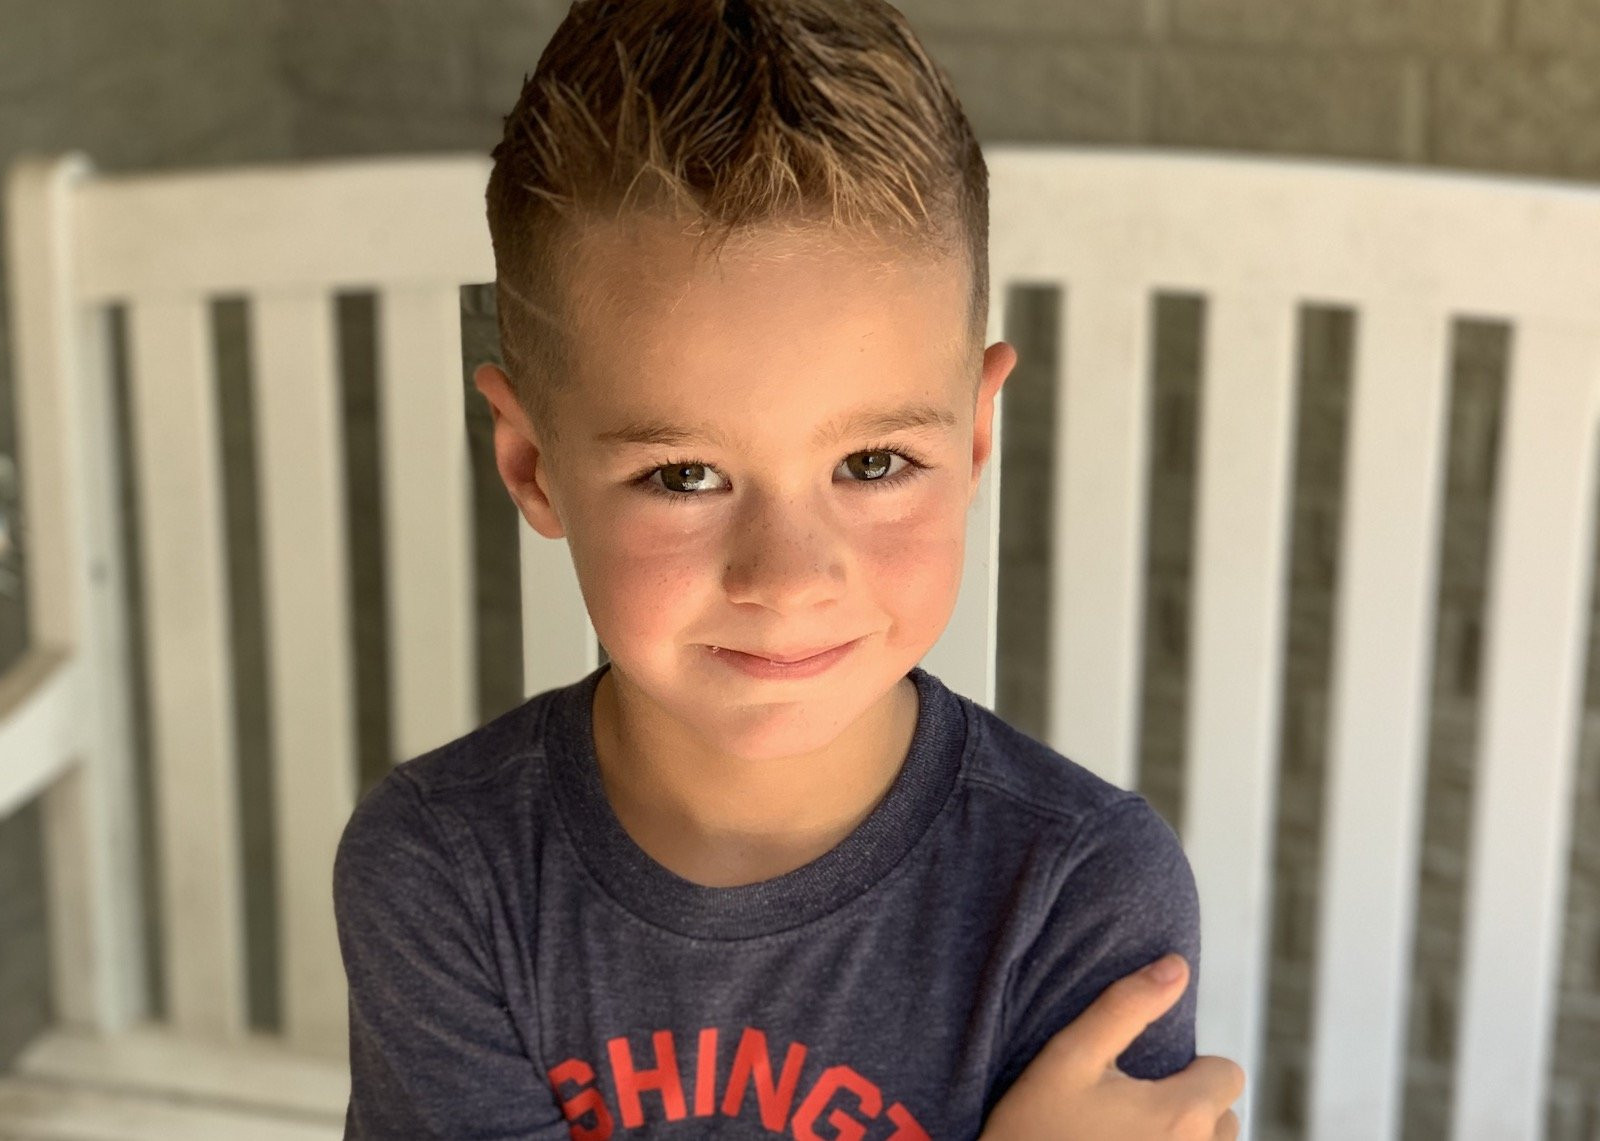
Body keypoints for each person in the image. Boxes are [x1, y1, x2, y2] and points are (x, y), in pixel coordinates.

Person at [332, 0, 1245, 1136]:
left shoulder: (1077, 892)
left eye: (873, 461)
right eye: (684, 475)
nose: (788, 576)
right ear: (531, 465)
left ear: (971, 444)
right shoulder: (444, 869)